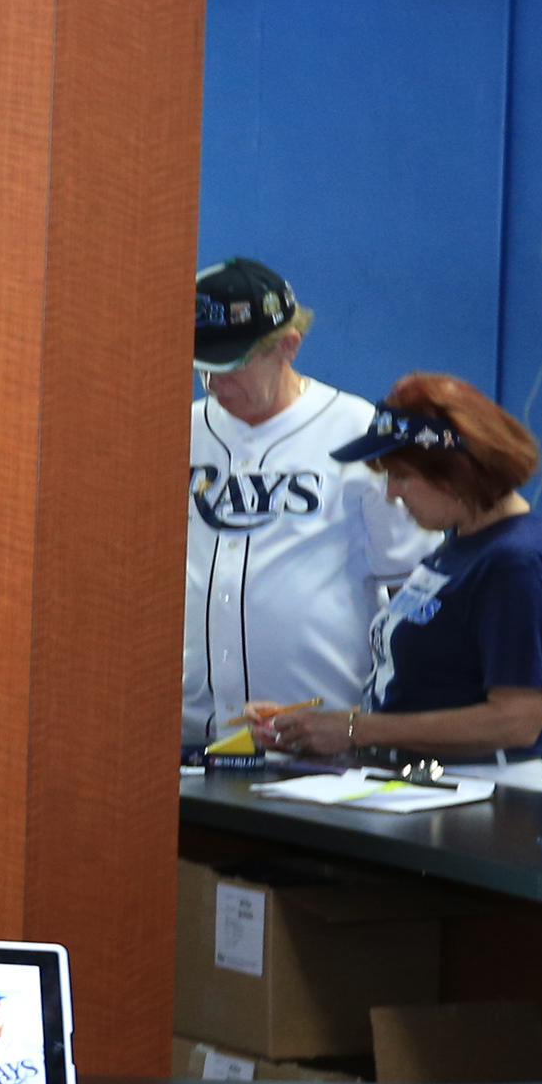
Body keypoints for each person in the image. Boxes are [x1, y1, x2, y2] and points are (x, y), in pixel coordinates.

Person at [262, 374, 542, 790]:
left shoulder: (517, 563)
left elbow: (516, 720)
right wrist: (311, 727)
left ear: (455, 473)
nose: (392, 493)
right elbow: (428, 692)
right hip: (422, 782)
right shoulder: (462, 545)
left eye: (401, 476)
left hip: (479, 789)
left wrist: (356, 730)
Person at [186, 257, 429, 742]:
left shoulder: (359, 431)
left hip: (322, 734)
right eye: (203, 367)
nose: (215, 383)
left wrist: (390, 717)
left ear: (288, 346)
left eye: (231, 365)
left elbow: (415, 590)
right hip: (187, 736)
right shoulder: (178, 429)